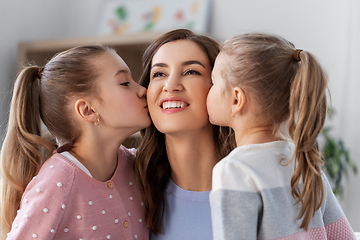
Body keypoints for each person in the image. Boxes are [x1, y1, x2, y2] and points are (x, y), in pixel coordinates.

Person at [207, 33, 356, 239]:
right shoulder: (305, 161)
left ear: (236, 99)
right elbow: (344, 236)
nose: (208, 89)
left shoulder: (234, 170)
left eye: (213, 82)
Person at [0, 46, 150, 239]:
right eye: (124, 83)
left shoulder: (136, 165)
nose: (143, 90)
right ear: (87, 110)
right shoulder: (56, 183)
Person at [134, 29, 235, 239]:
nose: (170, 86)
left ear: (220, 88)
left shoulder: (273, 180)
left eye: (191, 72)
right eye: (159, 74)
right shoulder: (127, 181)